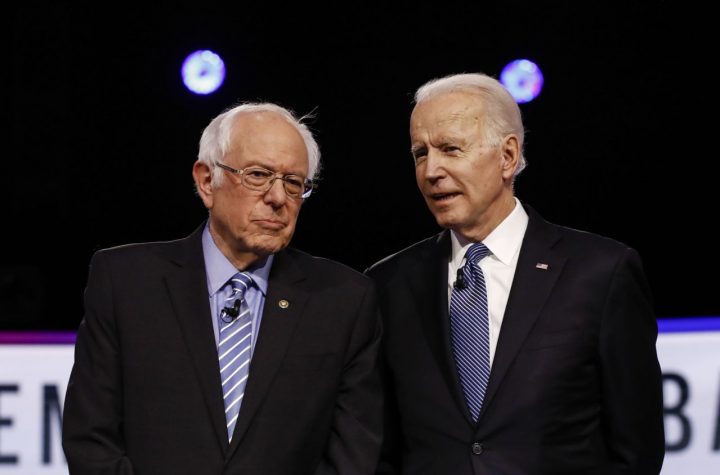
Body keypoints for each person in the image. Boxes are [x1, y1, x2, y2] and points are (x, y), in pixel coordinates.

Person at [366, 73, 664, 474]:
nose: (431, 170)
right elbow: (381, 448)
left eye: (451, 149)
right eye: (420, 153)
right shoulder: (389, 285)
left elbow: (636, 451)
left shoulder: (600, 274)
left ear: (507, 156)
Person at [62, 102, 383, 474]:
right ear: (205, 181)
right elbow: (91, 441)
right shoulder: (125, 281)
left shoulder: (344, 300)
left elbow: (352, 456)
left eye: (294, 183)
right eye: (258, 175)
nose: (278, 198)